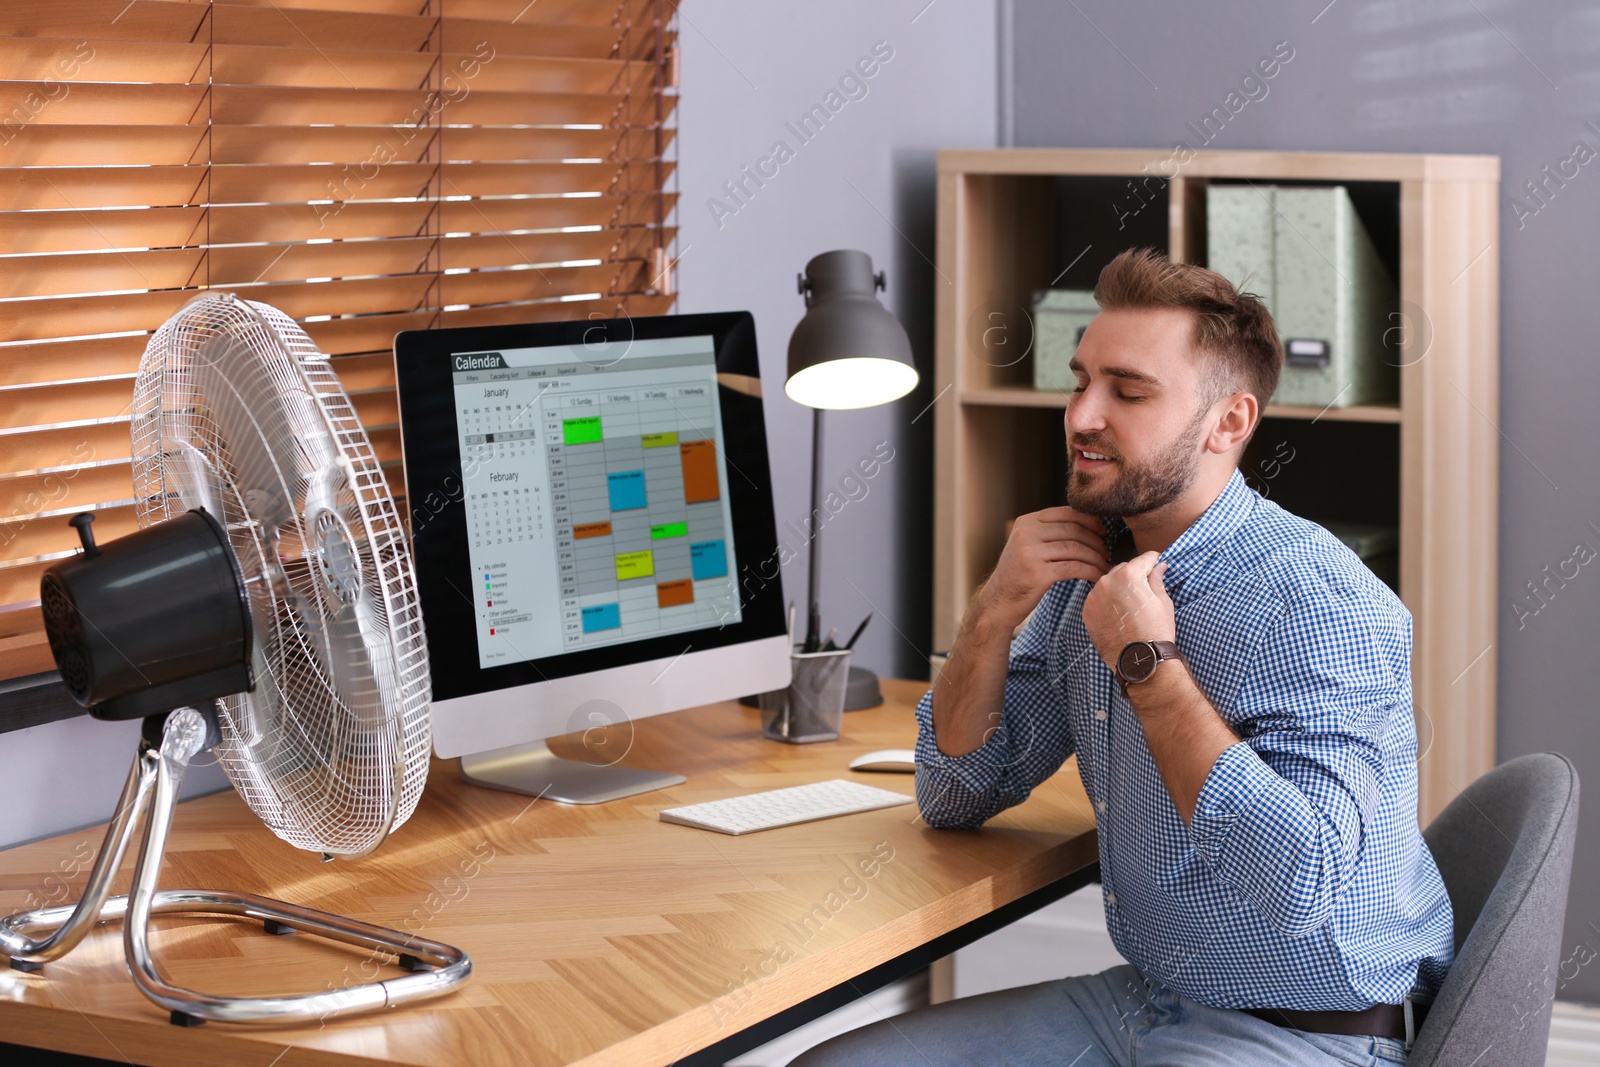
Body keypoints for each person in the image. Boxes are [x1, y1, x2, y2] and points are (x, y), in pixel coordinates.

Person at [791, 249, 1452, 1067]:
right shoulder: (1089, 570)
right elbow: (955, 790)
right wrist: (993, 609)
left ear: (1229, 422)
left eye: (1127, 391)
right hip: (1145, 996)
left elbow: (1301, 886)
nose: (1080, 416)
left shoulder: (1319, 601)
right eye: (1080, 382)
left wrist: (1147, 659)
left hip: (1309, 1035)